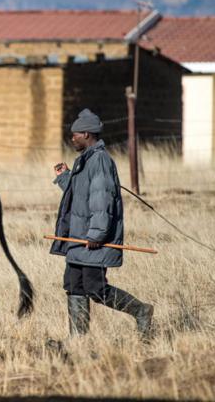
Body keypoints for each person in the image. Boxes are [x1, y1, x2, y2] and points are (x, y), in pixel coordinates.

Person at [50, 108, 154, 341]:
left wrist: (97, 234)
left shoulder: (100, 160)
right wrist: (66, 177)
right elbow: (80, 194)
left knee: (95, 289)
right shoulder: (85, 160)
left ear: (86, 134)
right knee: (74, 286)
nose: (72, 138)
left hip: (93, 240)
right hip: (78, 239)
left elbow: (101, 200)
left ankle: (141, 311)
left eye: (75, 134)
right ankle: (78, 341)